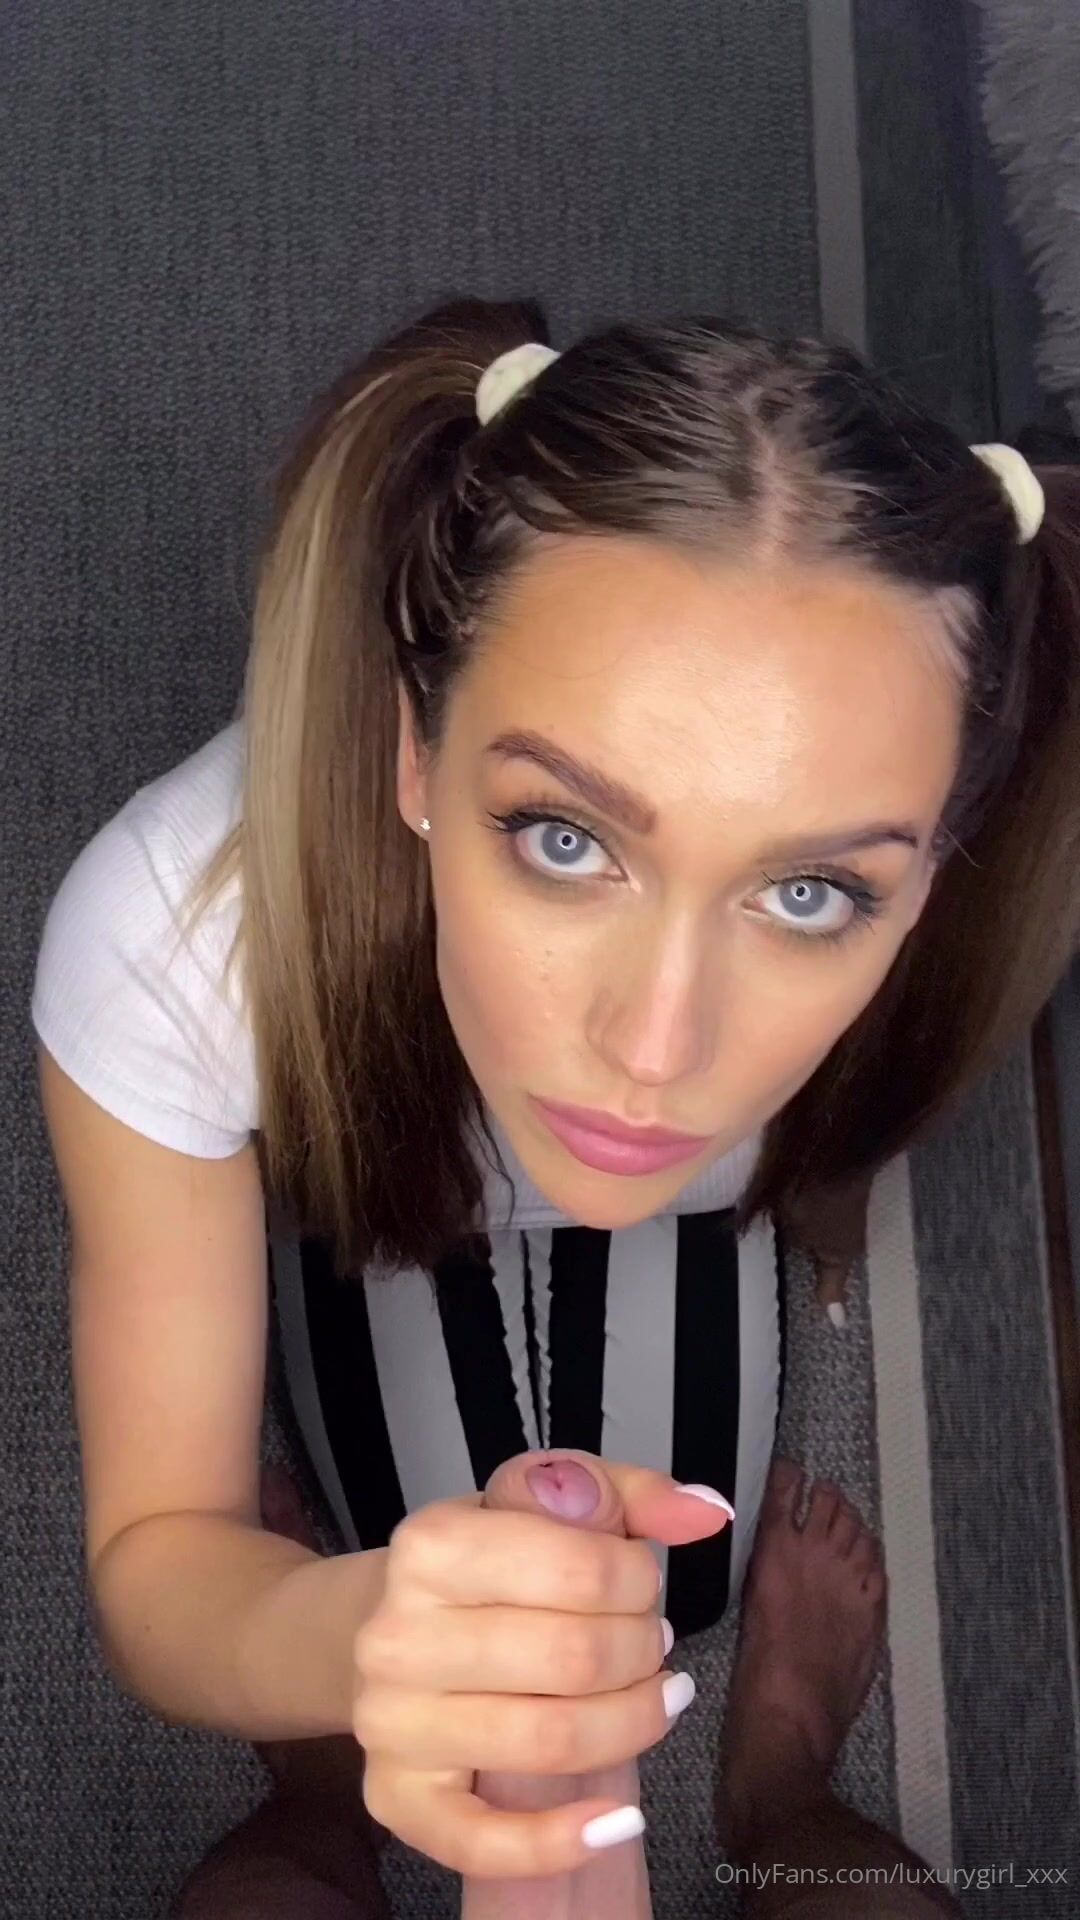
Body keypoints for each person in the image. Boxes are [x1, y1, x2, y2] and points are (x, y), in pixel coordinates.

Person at [32, 299, 1080, 1914]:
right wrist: (348, 1635)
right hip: (356, 1181)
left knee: (691, 1588)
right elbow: (162, 1553)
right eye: (565, 838)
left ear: (930, 866)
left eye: (808, 892)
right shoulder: (168, 946)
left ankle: (769, 1783)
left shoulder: (944, 921)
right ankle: (327, 1787)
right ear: (414, 753)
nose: (656, 1050)